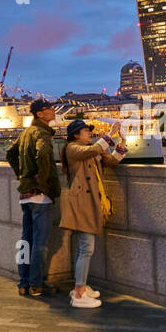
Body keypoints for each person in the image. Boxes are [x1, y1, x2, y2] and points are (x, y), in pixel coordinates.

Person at [59, 119, 127, 308]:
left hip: (90, 203)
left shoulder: (92, 149)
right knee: (87, 247)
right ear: (75, 135)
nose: (89, 133)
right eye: (85, 131)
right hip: (81, 203)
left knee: (83, 247)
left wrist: (122, 142)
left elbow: (112, 161)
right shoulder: (72, 148)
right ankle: (79, 294)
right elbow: (92, 151)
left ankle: (79, 287)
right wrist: (111, 134)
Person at [14, 99, 61, 296]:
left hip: (25, 195)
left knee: (25, 241)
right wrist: (42, 180)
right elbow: (42, 153)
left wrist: (23, 176)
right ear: (39, 114)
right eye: (49, 108)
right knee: (40, 242)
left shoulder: (25, 132)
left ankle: (23, 282)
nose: (53, 110)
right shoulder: (42, 133)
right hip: (39, 196)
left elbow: (10, 154)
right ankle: (36, 284)